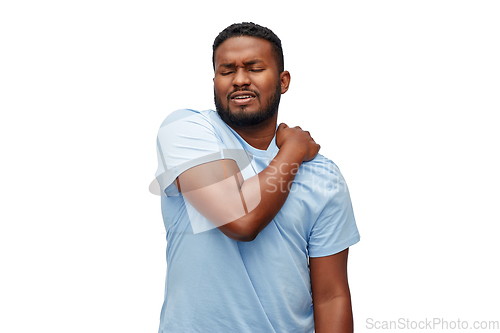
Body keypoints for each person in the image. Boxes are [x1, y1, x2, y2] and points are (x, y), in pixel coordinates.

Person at [154, 22, 360, 333]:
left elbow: (331, 296)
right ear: (214, 81)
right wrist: (293, 149)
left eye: (254, 68)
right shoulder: (186, 131)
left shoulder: (322, 174)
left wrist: (294, 150)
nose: (239, 80)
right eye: (227, 71)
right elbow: (241, 220)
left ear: (283, 81)